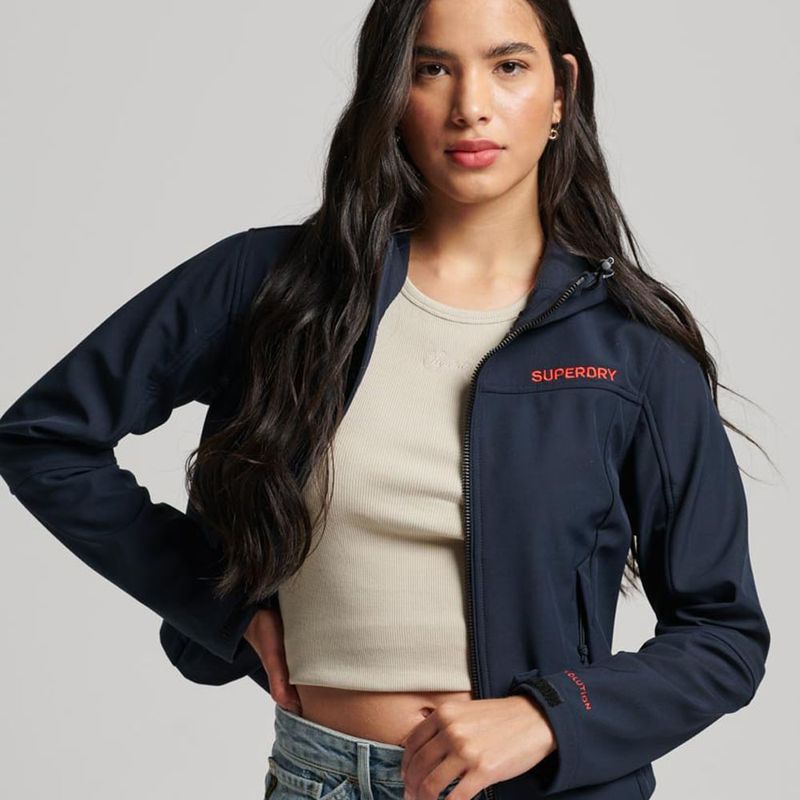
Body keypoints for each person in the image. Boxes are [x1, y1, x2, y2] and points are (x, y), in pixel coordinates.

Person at [0, 1, 771, 799]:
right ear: (390, 91)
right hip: (323, 778)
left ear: (560, 92)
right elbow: (46, 437)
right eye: (432, 68)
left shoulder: (632, 349)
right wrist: (219, 608)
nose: (470, 105)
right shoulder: (274, 290)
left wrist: (548, 718)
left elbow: (723, 636)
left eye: (508, 66)